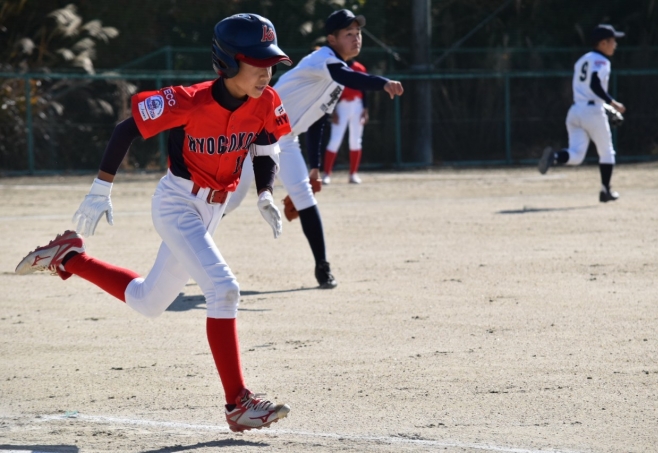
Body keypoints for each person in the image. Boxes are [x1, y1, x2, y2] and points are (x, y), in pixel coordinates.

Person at [15, 14, 293, 433]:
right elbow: (125, 130)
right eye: (257, 61)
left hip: (212, 210)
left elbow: (267, 146)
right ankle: (238, 403)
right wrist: (100, 188)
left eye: (270, 62)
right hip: (177, 204)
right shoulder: (189, 100)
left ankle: (69, 258)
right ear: (228, 61)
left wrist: (265, 193)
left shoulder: (266, 100)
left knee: (148, 301)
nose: (266, 71)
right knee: (224, 290)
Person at [223, 9, 404, 288]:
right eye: (348, 34)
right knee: (233, 198)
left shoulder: (336, 76)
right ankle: (191, 240)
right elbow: (350, 78)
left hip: (286, 139)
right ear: (332, 39)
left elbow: (318, 120)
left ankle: (322, 267)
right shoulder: (323, 60)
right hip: (255, 134)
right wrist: (383, 83)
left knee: (304, 196)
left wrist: (315, 167)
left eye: (358, 33)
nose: (356, 38)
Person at [538, 24, 626, 203]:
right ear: (603, 43)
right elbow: (594, 84)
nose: (615, 45)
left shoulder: (582, 60)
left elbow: (587, 90)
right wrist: (612, 103)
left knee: (576, 155)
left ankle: (555, 157)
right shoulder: (602, 61)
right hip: (592, 112)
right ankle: (605, 191)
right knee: (607, 152)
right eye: (612, 41)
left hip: (576, 110)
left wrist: (607, 107)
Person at [322, 59, 369, 185]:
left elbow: (364, 88)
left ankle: (353, 174)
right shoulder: (336, 67)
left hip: (358, 105)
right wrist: (333, 110)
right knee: (335, 140)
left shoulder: (359, 67)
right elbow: (332, 90)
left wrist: (365, 108)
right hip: (341, 106)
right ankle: (326, 174)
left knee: (356, 140)